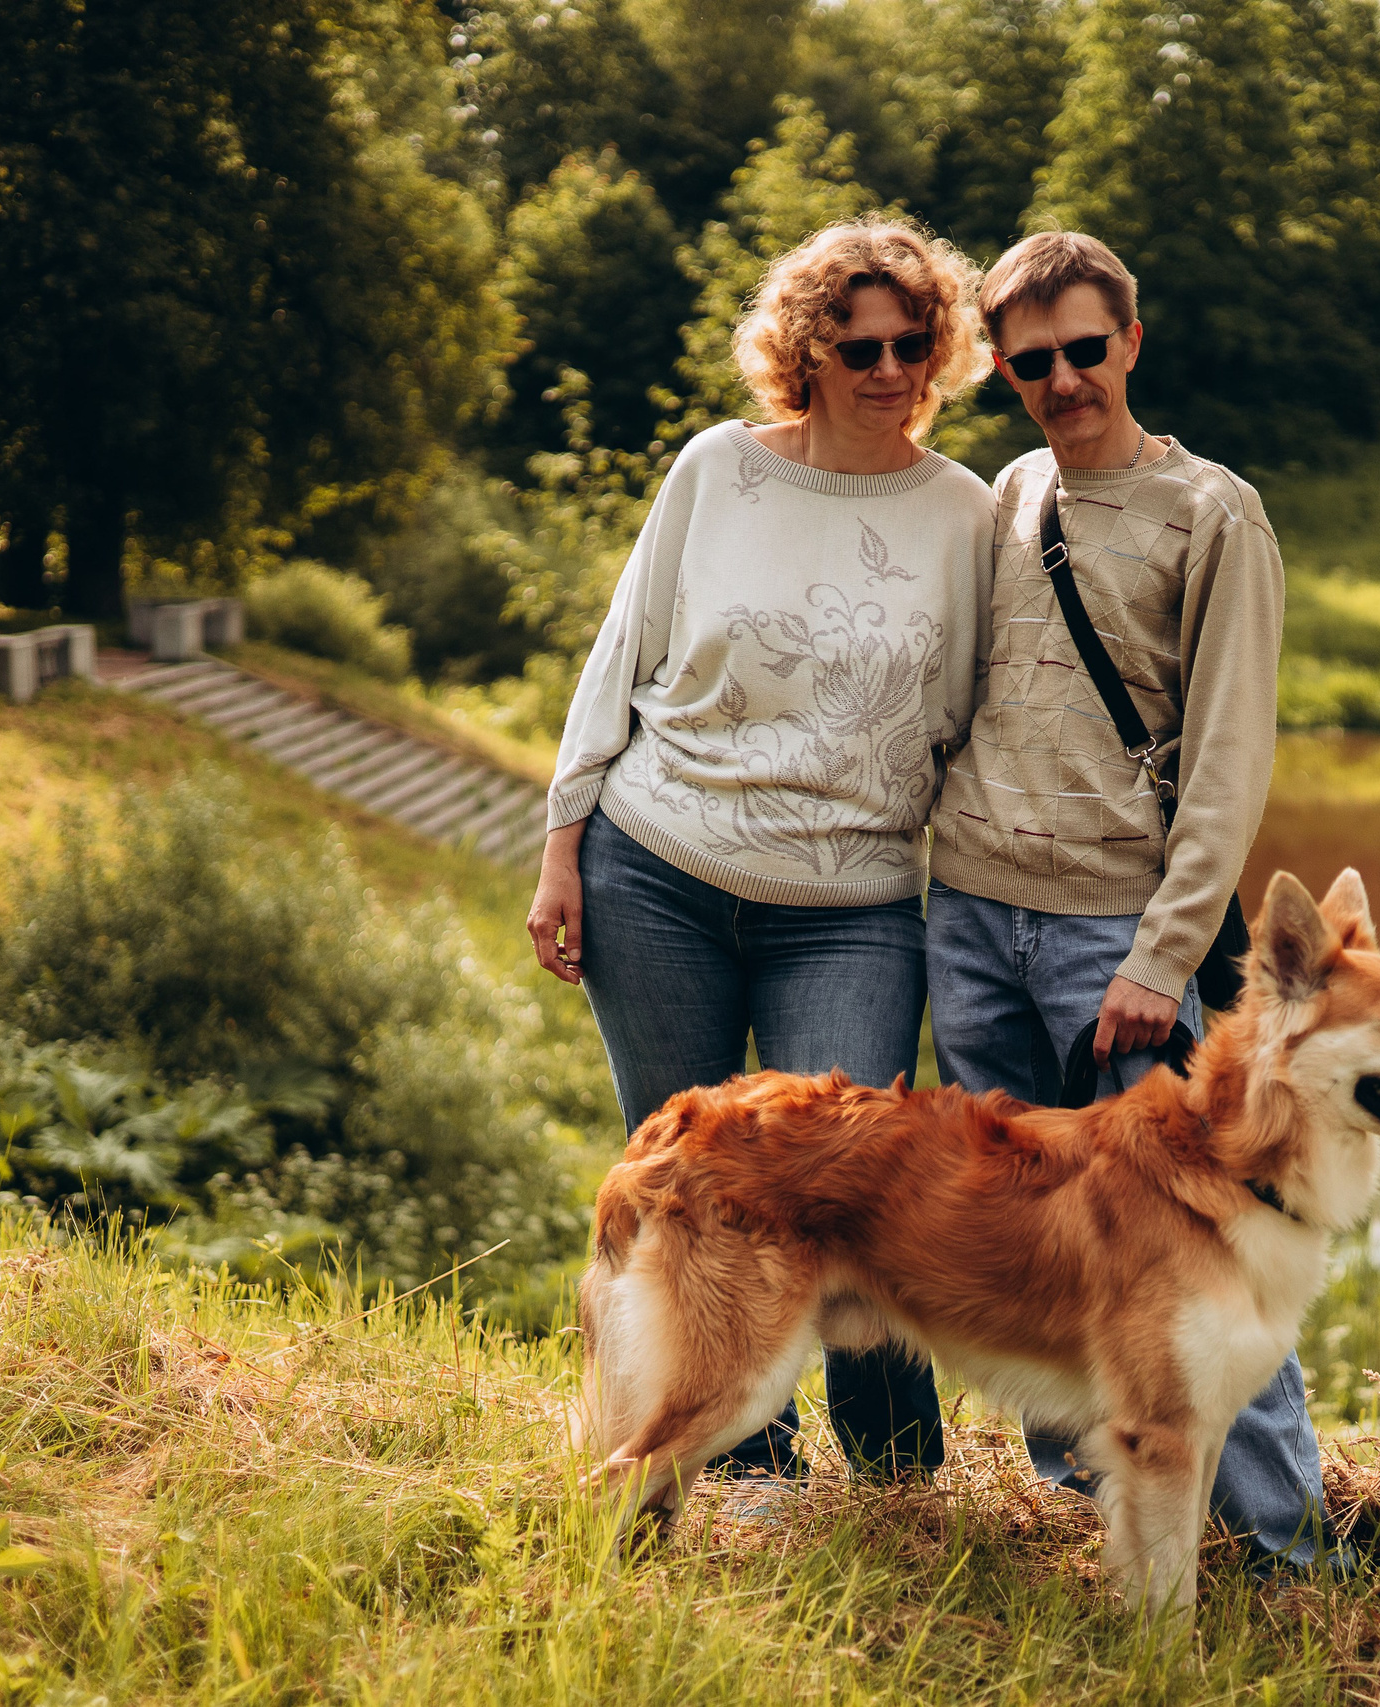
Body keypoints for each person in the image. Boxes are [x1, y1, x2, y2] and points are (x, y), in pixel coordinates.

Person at [526, 216, 996, 1483]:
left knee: (864, 1192)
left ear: (939, 347)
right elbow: (620, 656)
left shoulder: (966, 513)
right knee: (703, 1200)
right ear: (808, 350)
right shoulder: (717, 470)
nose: (887, 368)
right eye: (857, 346)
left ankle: (897, 1475)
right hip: (656, 869)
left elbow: (977, 716)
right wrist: (563, 841)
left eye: (910, 342)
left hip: (851, 902)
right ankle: (741, 1469)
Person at [924, 230, 1342, 1574]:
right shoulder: (1011, 494)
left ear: (1132, 343)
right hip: (976, 917)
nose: (1063, 378)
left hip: (1118, 937)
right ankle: (1093, 1508)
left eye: (1085, 349)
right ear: (1002, 366)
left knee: (1199, 1249)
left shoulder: (1216, 512)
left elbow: (1226, 766)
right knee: (1042, 1244)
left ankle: (1281, 1547)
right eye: (1032, 359)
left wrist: (1162, 955)